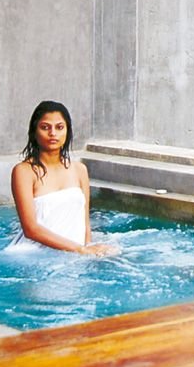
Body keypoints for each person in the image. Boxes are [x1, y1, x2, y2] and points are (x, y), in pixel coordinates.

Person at [10, 100, 117, 255]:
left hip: (74, 254)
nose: (53, 133)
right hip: (32, 253)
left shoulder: (79, 170)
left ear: (67, 131)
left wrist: (88, 251)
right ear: (34, 131)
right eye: (45, 127)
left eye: (59, 127)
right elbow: (30, 229)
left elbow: (85, 223)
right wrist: (80, 249)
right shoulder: (24, 171)